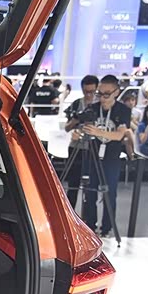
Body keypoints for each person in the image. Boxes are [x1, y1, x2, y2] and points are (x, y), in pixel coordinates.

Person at [80, 74, 131, 237]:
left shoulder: (123, 110)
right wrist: (80, 131)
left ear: (116, 92)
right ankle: (90, 227)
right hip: (93, 156)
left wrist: (98, 132)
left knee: (110, 194)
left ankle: (107, 228)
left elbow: (120, 135)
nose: (102, 98)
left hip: (111, 158)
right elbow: (84, 127)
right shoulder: (93, 108)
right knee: (90, 193)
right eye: (100, 94)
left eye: (106, 94)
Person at [63, 75, 99, 209]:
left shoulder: (100, 106)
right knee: (73, 182)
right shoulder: (76, 104)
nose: (88, 95)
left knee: (92, 184)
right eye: (86, 91)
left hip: (94, 146)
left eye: (92, 92)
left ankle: (89, 215)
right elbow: (67, 128)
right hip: (76, 145)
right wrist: (77, 119)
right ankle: (69, 212)